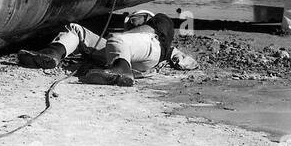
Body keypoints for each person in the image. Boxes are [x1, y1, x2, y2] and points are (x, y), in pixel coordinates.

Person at [16, 10, 197, 87]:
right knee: (76, 29)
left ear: (146, 17)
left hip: (147, 51)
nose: (129, 23)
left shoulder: (160, 20)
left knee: (117, 39)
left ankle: (121, 72)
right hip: (120, 53)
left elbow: (183, 59)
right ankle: (52, 54)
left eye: (133, 20)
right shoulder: (118, 40)